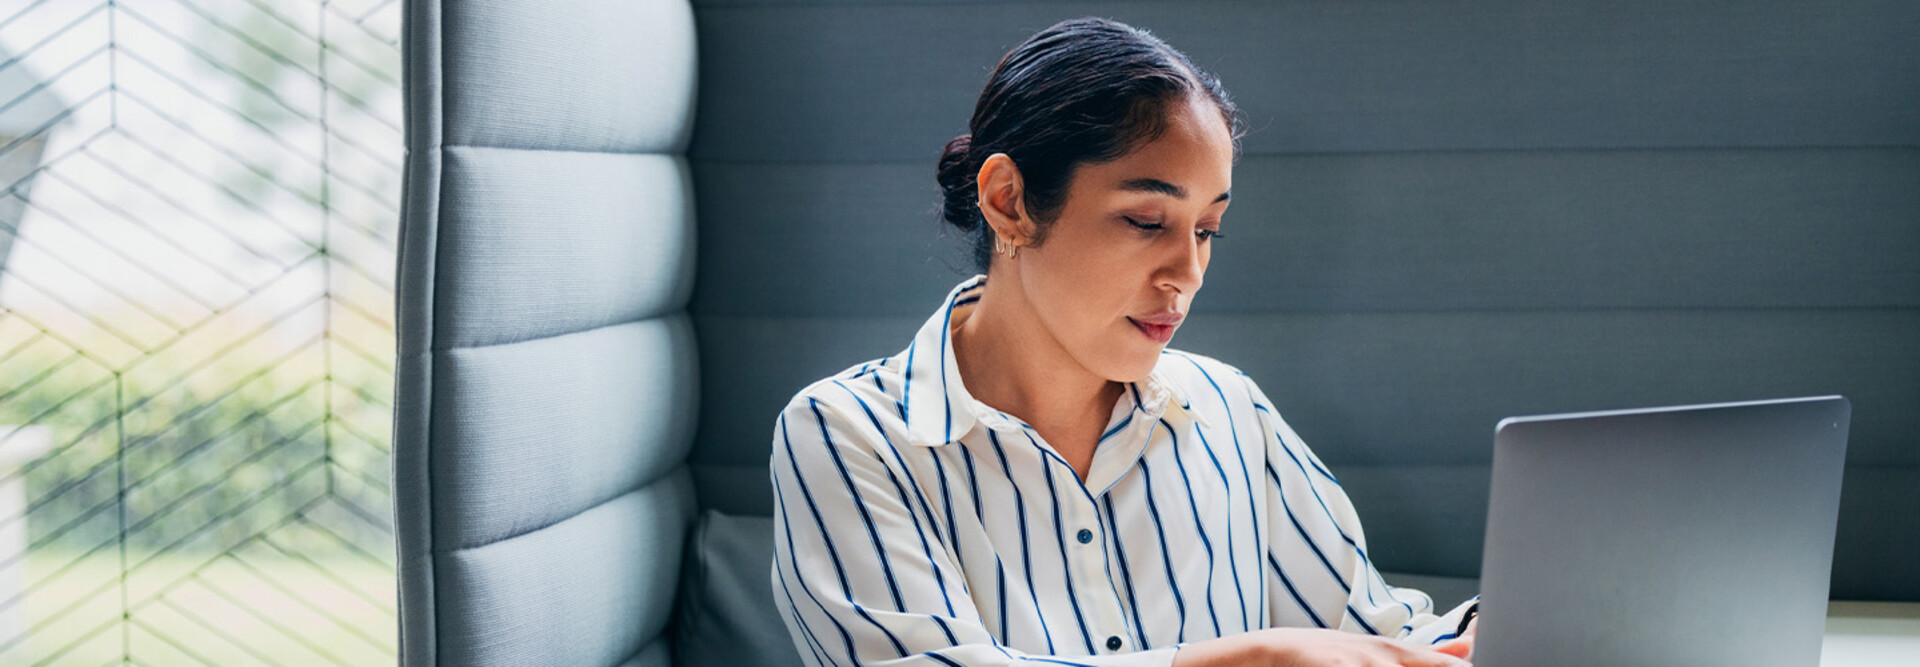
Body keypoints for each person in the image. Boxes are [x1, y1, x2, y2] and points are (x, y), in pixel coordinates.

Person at [769, 17, 1480, 667]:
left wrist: (1505, 626)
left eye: (1207, 230)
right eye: (1146, 220)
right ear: (1008, 201)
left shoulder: (1230, 408)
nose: (1189, 273)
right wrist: (1247, 660)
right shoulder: (844, 434)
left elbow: (1378, 634)